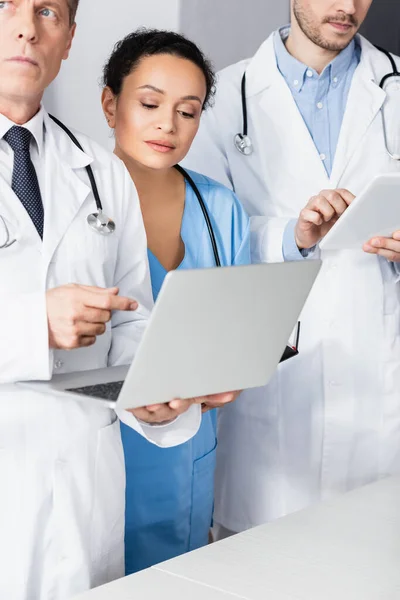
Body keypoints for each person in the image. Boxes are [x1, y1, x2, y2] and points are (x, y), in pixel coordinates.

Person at [0, 3, 216, 599]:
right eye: (6, 6)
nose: (26, 27)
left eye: (47, 11)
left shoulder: (102, 172)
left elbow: (134, 321)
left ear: (68, 38)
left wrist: (156, 395)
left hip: (84, 490)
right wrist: (30, 323)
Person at [184, 0, 400, 539]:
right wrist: (291, 234)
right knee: (263, 565)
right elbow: (203, 229)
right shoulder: (222, 99)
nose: (347, 7)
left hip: (377, 376)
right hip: (273, 385)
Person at [101, 29, 250, 573]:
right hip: (105, 458)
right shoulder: (75, 200)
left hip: (189, 458)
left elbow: (236, 333)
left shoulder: (220, 207)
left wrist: (230, 376)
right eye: (149, 104)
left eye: (188, 112)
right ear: (110, 103)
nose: (168, 124)